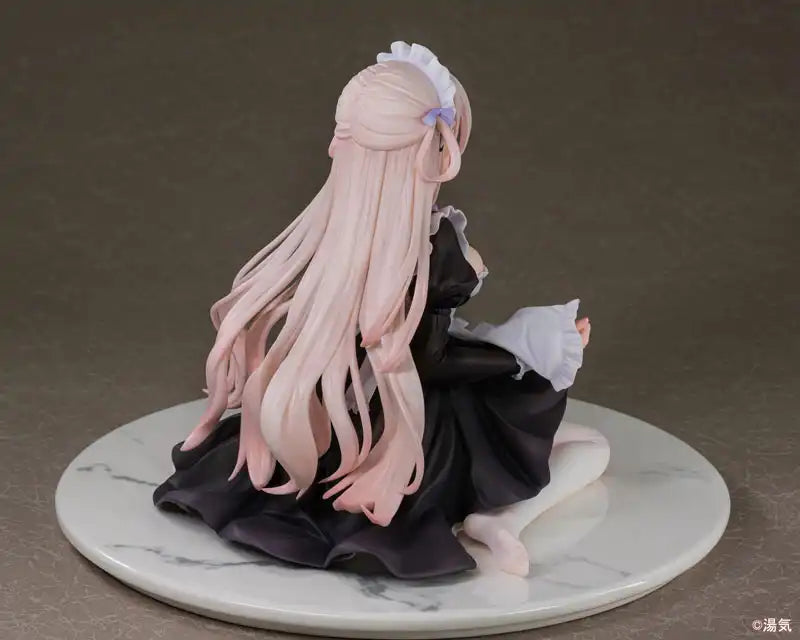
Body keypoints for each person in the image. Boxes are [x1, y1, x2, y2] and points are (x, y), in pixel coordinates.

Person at [154, 41, 609, 579]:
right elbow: (427, 361)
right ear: (433, 150)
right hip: (414, 427)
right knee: (592, 447)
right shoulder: (430, 251)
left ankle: (487, 514)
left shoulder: (338, 234)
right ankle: (502, 521)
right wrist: (525, 355)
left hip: (347, 414)